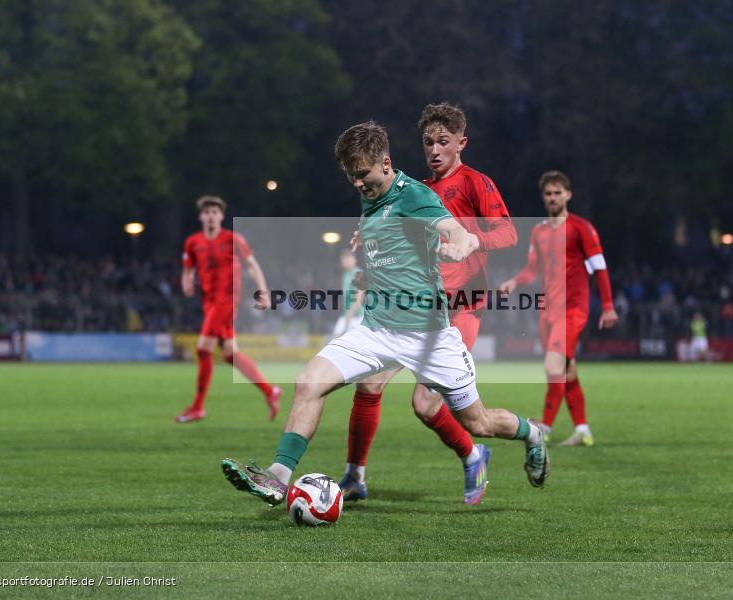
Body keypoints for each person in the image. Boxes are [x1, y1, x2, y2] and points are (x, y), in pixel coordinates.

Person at [221, 121, 548, 506]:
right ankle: (279, 477)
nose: (358, 184)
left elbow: (450, 228)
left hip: (430, 337)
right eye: (350, 177)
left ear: (386, 164)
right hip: (377, 330)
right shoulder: (372, 198)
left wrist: (461, 244)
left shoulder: (414, 196)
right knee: (309, 381)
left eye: (362, 175)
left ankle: (531, 434)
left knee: (479, 422)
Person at [339, 103, 518, 505]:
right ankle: (354, 476)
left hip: (463, 306)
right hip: (416, 305)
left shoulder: (475, 183)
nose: (434, 150)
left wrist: (472, 240)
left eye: (443, 142)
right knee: (368, 384)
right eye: (427, 143)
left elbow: (507, 232)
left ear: (461, 144)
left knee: (424, 404)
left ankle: (476, 453)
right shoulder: (413, 191)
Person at [500, 171, 618, 447]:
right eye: (548, 194)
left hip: (573, 308)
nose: (553, 198)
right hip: (548, 311)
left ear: (568, 194)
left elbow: (600, 267)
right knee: (567, 370)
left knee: (554, 365)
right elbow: (532, 270)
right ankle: (582, 429)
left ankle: (544, 427)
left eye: (557, 193)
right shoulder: (539, 231)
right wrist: (514, 282)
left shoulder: (581, 228)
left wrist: (609, 306)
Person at [175, 196, 282, 423]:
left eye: (215, 212)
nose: (211, 215)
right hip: (209, 302)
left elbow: (252, 265)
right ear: (201, 216)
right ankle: (269, 392)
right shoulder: (192, 242)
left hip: (227, 300)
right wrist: (186, 280)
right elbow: (187, 269)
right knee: (230, 355)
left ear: (222, 216)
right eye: (207, 212)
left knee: (203, 349)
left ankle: (198, 407)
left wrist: (263, 291)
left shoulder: (233, 239)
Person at [331, 248, 364, 338]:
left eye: (348, 258)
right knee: (334, 340)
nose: (345, 261)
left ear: (354, 259)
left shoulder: (359, 274)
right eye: (344, 259)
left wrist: (349, 315)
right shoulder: (345, 274)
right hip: (346, 314)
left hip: (357, 316)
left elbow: (359, 298)